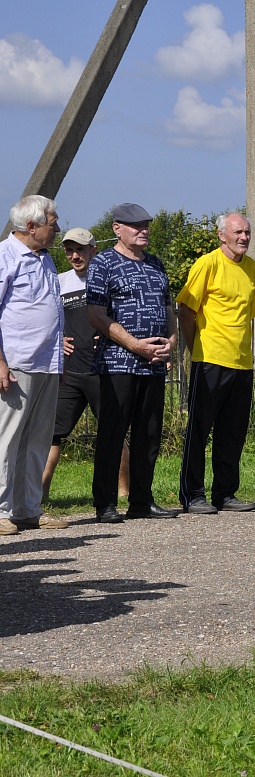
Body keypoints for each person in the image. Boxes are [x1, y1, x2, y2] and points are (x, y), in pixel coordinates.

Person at [87, 202, 180, 522]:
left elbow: (168, 310)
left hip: (153, 364)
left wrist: (171, 342)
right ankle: (106, 503)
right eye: (136, 225)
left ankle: (142, 500)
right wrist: (135, 345)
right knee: (113, 433)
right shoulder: (103, 264)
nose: (144, 230)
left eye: (146, 225)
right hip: (118, 363)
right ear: (117, 228)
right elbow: (97, 315)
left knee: (149, 433)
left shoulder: (155, 263)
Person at [176, 212, 255, 515]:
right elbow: (185, 310)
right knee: (199, 430)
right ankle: (192, 494)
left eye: (247, 232)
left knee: (232, 432)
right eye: (238, 232)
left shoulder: (251, 267)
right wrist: (193, 347)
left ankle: (225, 493)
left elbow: (247, 316)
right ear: (222, 235)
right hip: (209, 358)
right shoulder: (207, 264)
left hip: (242, 361)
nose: (244, 238)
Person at [41, 228, 130, 501]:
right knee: (52, 434)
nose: (75, 255)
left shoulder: (107, 279)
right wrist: (59, 341)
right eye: (69, 250)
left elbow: (124, 317)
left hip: (103, 369)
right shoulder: (59, 281)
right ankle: (40, 495)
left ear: (93, 250)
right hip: (71, 371)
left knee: (113, 431)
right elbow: (48, 319)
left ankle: (125, 492)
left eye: (80, 249)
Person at [0, 195, 68, 535]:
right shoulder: (4, 257)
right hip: (16, 363)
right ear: (31, 226)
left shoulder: (44, 259)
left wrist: (58, 356)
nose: (57, 230)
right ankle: (0, 510)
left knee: (37, 439)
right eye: (52, 224)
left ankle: (27, 508)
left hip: (46, 362)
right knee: (6, 439)